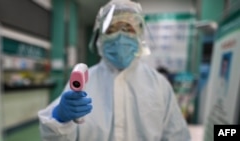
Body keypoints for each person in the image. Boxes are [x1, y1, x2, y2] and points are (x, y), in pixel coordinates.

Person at [38, 0, 191, 141]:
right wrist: (60, 120)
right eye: (112, 29)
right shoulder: (85, 81)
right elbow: (54, 137)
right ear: (100, 37)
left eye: (127, 28)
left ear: (139, 35)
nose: (120, 36)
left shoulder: (159, 85)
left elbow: (176, 136)